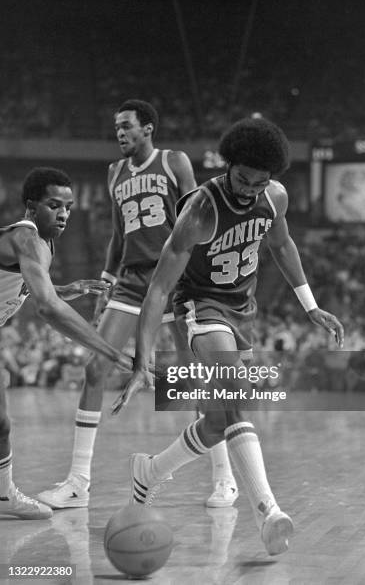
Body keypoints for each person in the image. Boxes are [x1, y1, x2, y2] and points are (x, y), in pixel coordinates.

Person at [112, 117, 344, 555]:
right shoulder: (199, 210)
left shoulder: (273, 198)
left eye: (260, 182)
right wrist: (143, 361)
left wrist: (311, 306)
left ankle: (150, 472)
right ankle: (268, 511)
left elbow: (281, 245)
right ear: (227, 164)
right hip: (201, 307)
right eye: (242, 178)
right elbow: (160, 287)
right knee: (237, 392)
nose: (249, 189)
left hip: (244, 310)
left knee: (219, 422)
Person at [38, 99, 238, 510]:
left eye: (127, 126)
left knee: (197, 374)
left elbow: (199, 217)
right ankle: (78, 482)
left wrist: (202, 279)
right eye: (117, 127)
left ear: (148, 128)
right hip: (130, 283)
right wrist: (108, 281)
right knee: (95, 368)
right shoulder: (114, 173)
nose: (120, 132)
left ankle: (225, 478)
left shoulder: (174, 161)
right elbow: (117, 234)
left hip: (175, 279)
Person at [0, 167, 134, 520]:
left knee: (1, 424)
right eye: (54, 205)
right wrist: (110, 351)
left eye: (69, 207)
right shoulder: (27, 238)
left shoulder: (44, 243)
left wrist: (65, 289)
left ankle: (3, 498)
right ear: (31, 207)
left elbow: (26, 284)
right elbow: (47, 308)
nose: (63, 214)